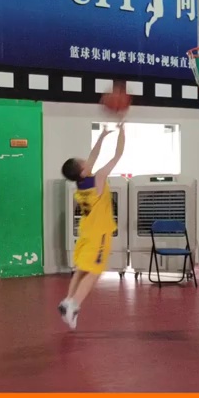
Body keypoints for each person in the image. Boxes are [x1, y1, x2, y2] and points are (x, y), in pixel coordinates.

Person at [57, 122, 125, 330]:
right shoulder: (99, 179)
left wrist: (102, 136)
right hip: (99, 233)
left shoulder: (81, 182)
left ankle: (68, 300)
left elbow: (93, 155)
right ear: (83, 170)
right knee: (95, 271)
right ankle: (74, 304)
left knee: (81, 269)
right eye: (84, 161)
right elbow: (118, 155)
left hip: (86, 232)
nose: (88, 160)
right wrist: (122, 132)